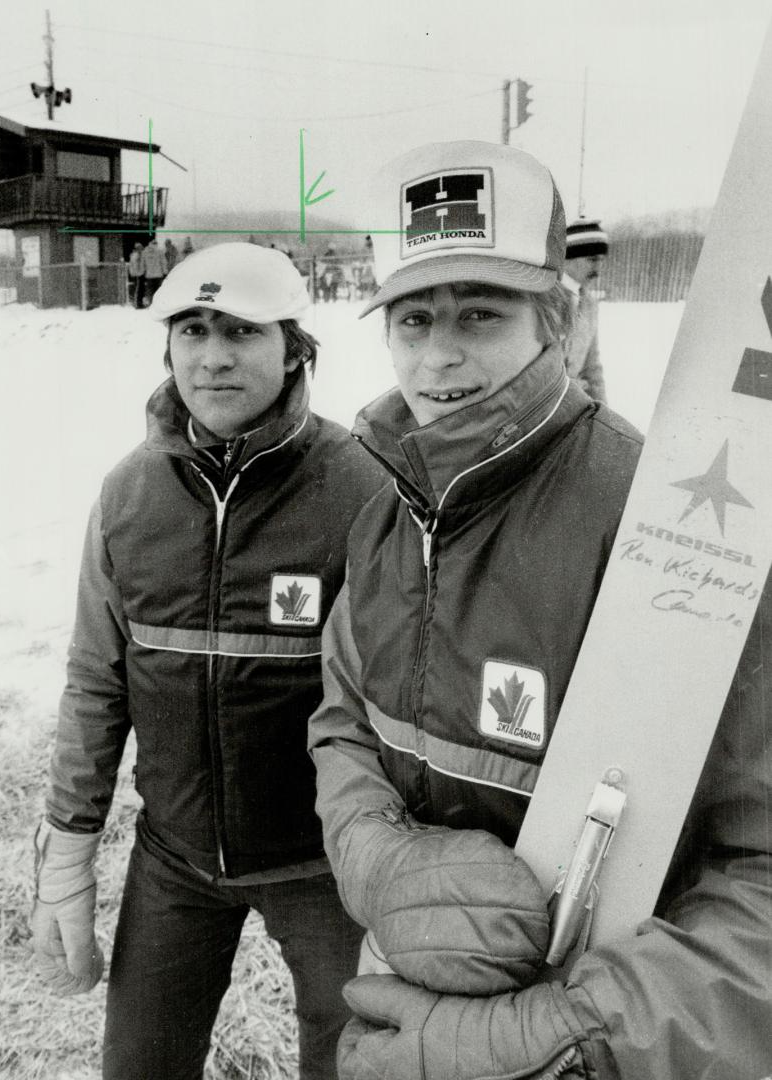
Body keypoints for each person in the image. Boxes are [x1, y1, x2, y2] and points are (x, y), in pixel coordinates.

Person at [309, 140, 771, 1079]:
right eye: (412, 318)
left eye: (479, 313)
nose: (438, 357)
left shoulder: (668, 533)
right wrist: (379, 860)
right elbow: (342, 725)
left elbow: (758, 872)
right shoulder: (383, 517)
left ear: (556, 318)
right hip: (404, 1012)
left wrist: (564, 1042)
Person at [30, 242, 386, 1080]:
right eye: (192, 330)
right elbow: (96, 680)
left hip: (324, 869)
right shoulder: (129, 494)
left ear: (295, 349)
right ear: (167, 348)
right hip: (175, 862)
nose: (213, 355)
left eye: (241, 331)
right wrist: (67, 853)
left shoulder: (361, 488)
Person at [562, 216, 609, 402]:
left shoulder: (589, 303)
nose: (598, 267)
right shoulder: (542, 299)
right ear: (567, 259)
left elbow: (592, 367)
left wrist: (602, 412)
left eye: (601, 260)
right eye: (592, 259)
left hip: (576, 406)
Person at [140, 238, 166, 303]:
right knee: (158, 291)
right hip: (158, 274)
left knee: (150, 291)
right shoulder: (160, 251)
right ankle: (158, 304)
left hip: (149, 275)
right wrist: (165, 272)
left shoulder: (144, 252)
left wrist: (142, 272)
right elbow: (163, 262)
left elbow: (142, 263)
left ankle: (151, 303)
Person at [126, 242, 144, 309]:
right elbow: (136, 265)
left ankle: (138, 303)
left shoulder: (136, 255)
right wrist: (139, 272)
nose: (142, 249)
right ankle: (137, 304)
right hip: (137, 274)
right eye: (140, 248)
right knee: (138, 289)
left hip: (137, 274)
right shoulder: (136, 255)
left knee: (138, 289)